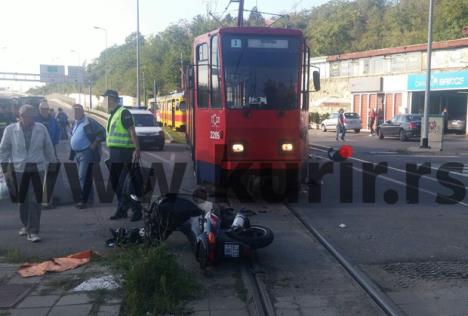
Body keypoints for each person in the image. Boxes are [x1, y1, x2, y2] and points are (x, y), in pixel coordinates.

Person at [0, 105, 57, 242]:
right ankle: (26, 225)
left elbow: (48, 146)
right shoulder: (10, 130)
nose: (28, 119)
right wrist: (4, 168)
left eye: (31, 116)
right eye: (25, 116)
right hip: (19, 169)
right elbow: (4, 150)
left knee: (34, 201)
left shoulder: (41, 129)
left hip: (37, 168)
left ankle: (33, 231)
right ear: (19, 116)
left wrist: (52, 162)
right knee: (22, 201)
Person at [104, 90, 142, 222]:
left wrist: (137, 149)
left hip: (124, 152)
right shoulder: (112, 114)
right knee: (117, 184)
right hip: (114, 152)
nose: (105, 101)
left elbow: (132, 131)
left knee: (126, 184)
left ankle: (136, 211)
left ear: (112, 99)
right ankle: (123, 209)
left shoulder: (124, 113)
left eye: (106, 99)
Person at [69, 104, 106, 209]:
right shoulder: (75, 123)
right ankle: (89, 199)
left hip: (87, 153)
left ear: (82, 112)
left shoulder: (89, 122)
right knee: (86, 177)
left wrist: (95, 143)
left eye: (77, 111)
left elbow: (103, 132)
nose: (75, 113)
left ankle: (83, 200)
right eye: (74, 111)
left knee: (82, 176)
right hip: (78, 154)